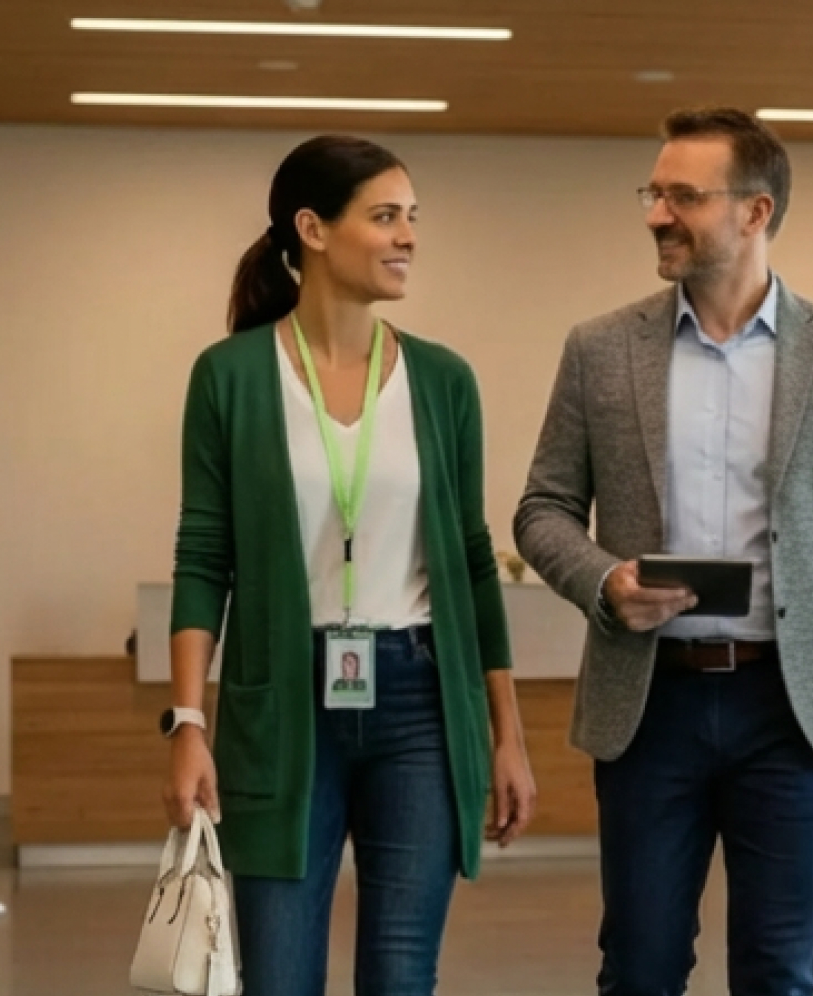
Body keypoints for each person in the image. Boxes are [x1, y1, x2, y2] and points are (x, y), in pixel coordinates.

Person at [513, 106, 813, 996]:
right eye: (653, 192)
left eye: (682, 195)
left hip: (793, 710)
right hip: (650, 706)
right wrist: (605, 581)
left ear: (755, 212)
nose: (655, 213)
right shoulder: (600, 350)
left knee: (780, 973)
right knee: (638, 969)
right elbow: (543, 510)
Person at [163, 134, 536, 996]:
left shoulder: (443, 381)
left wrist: (505, 733)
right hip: (280, 702)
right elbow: (202, 555)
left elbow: (474, 563)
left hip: (418, 703)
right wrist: (189, 722)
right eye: (385, 216)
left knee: (402, 978)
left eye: (412, 218)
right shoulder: (231, 377)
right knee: (279, 980)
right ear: (313, 230)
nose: (408, 236)